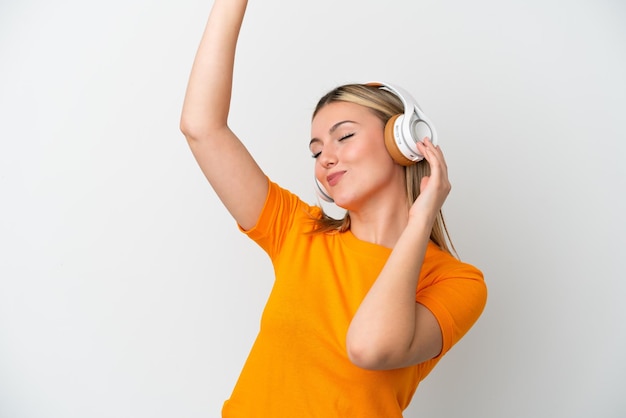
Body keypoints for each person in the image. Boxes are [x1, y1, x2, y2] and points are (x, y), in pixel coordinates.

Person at [180, 0, 487, 416]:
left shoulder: (457, 282)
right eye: (316, 150)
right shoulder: (297, 230)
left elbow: (369, 347)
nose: (325, 158)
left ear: (404, 141)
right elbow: (201, 127)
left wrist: (421, 219)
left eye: (343, 137)